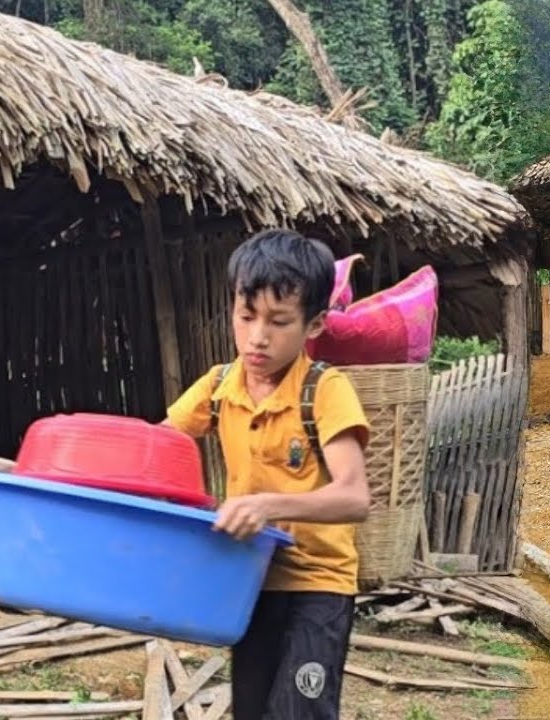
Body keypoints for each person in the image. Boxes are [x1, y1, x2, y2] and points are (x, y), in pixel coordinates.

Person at [164, 229, 372, 720]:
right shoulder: (217, 386)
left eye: (279, 321)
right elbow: (161, 443)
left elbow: (354, 498)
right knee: (252, 712)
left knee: (300, 712)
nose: (258, 337)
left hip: (319, 588)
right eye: (246, 316)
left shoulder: (325, 389)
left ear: (314, 324)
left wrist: (265, 505)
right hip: (249, 582)